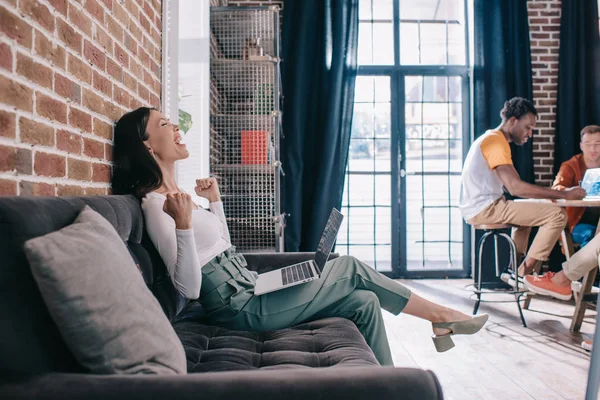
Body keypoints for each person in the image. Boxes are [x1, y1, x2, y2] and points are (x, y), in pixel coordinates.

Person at [111, 107, 488, 366]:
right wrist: (183, 225)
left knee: (364, 302)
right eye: (164, 124)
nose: (176, 127)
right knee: (351, 266)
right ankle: (440, 316)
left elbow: (224, 249)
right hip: (240, 309)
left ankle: (388, 386)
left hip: (254, 287)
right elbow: (189, 288)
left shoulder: (178, 198)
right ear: (146, 144)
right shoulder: (155, 206)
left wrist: (215, 203)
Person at [459, 97, 586, 285]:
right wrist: (564, 194)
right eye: (528, 127)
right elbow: (516, 187)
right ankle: (522, 273)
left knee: (532, 212)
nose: (530, 133)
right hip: (485, 208)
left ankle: (513, 269)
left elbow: (516, 186)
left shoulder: (492, 139)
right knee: (557, 216)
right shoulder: (495, 141)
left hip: (485, 206)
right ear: (512, 121)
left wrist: (549, 196)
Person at [552, 125, 600, 247]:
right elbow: (556, 189)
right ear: (581, 146)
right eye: (588, 144)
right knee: (592, 235)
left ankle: (573, 267)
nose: (593, 149)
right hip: (577, 222)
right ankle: (578, 267)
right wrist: (570, 191)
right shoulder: (571, 166)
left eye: (597, 144)